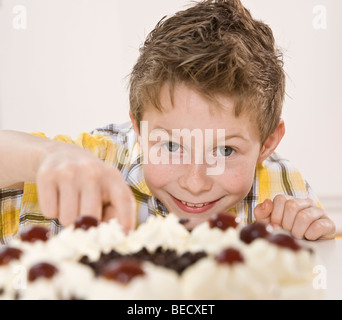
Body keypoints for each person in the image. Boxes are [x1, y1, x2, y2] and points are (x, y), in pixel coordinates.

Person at [0, 0, 335, 244]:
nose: (195, 182)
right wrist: (44, 157)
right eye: (172, 146)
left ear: (267, 143)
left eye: (226, 151)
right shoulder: (93, 162)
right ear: (139, 130)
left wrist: (307, 242)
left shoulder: (284, 190)